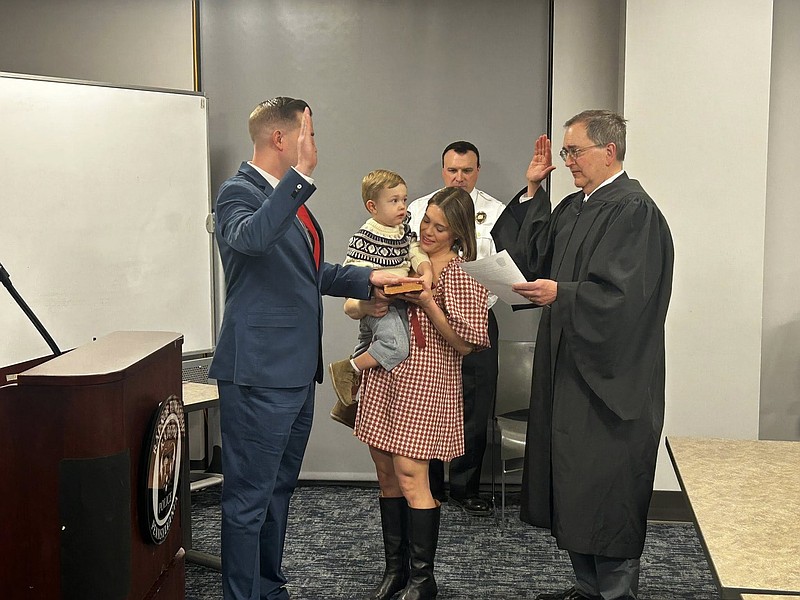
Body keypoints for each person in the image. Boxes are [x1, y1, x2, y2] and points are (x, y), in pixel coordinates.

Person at [208, 97, 417, 600]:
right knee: (248, 498)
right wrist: (300, 175)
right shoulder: (238, 192)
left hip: (297, 372)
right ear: (283, 138)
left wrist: (369, 278)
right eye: (311, 134)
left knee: (277, 492)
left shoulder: (285, 200)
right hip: (258, 371)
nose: (315, 145)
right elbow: (253, 241)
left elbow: (309, 274)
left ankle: (268, 587)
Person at [492, 110, 674, 600]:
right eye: (565, 152)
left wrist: (565, 295)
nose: (566, 161)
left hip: (609, 379)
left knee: (607, 485)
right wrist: (532, 191)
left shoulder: (634, 210)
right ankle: (587, 587)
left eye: (574, 151)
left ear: (609, 152)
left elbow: (628, 299)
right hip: (567, 367)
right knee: (573, 480)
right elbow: (530, 258)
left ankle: (615, 593)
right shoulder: (576, 206)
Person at [345, 187, 489, 600]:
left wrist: (426, 300)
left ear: (458, 234)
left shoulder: (462, 275)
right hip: (386, 378)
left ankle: (424, 581)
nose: (427, 230)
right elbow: (363, 306)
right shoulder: (404, 255)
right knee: (388, 477)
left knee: (412, 478)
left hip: (426, 385)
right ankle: (397, 570)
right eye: (426, 220)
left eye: (440, 227)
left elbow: (465, 344)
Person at [407, 140, 504, 516]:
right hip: (427, 317)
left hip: (477, 315)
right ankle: (428, 486)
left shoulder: (497, 212)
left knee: (476, 406)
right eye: (452, 170)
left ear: (477, 171)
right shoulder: (419, 208)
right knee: (428, 402)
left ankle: (466, 488)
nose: (459, 177)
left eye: (467, 170)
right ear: (442, 170)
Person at [328, 169, 432, 424]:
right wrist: (368, 300)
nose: (402, 206)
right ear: (372, 206)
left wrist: (425, 270)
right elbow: (354, 276)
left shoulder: (403, 229)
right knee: (396, 346)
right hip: (380, 306)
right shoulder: (364, 238)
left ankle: (345, 404)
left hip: (396, 301)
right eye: (394, 201)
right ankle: (346, 369)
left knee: (366, 348)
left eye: (404, 199)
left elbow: (415, 251)